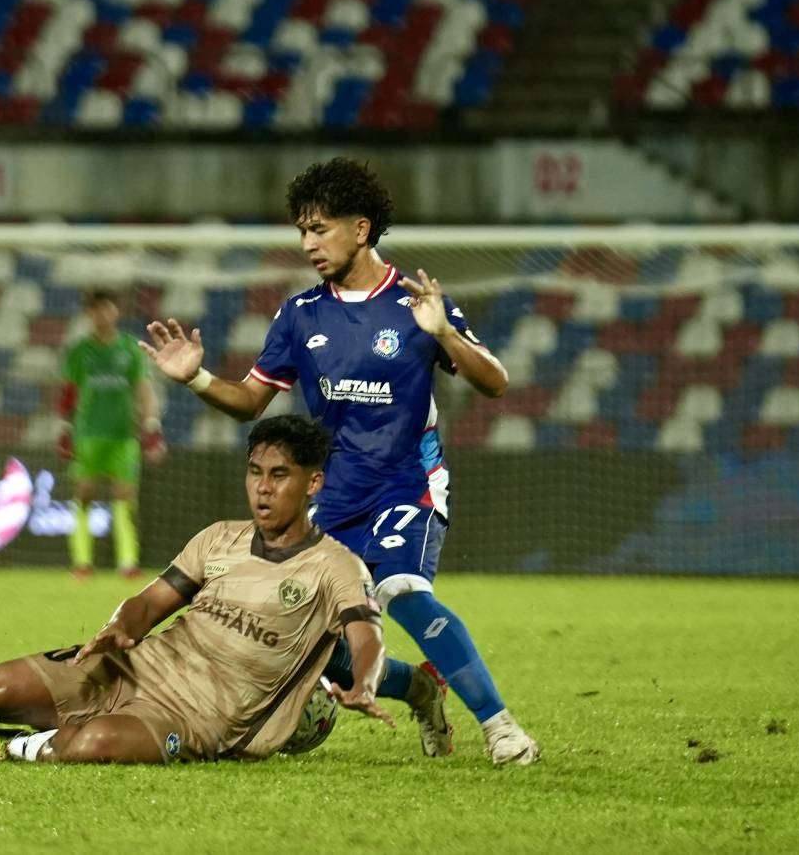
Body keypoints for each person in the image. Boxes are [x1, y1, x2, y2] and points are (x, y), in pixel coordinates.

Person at [139, 158, 540, 766]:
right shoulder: (301, 314)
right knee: (309, 642)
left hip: (407, 484)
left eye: (319, 229)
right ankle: (422, 689)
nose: (308, 243)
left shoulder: (415, 304)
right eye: (303, 231)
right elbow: (249, 401)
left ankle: (501, 727)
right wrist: (194, 377)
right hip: (334, 496)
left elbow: (497, 382)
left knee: (402, 589)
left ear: (360, 228)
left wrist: (445, 334)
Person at [0, 416, 427, 764]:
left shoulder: (336, 566)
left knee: (91, 746)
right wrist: (121, 626)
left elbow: (366, 637)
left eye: (279, 476)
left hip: (200, 720)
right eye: (255, 472)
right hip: (133, 668)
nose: (262, 488)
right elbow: (152, 601)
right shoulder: (219, 538)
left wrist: (365, 682)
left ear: (313, 483)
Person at [58, 289, 166, 579]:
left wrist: (151, 426)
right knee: (83, 494)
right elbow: (68, 394)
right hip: (88, 434)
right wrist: (65, 428)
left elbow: (145, 391)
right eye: (97, 310)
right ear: (89, 314)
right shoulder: (79, 351)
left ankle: (128, 563)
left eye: (108, 308)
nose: (103, 315)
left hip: (123, 436)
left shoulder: (130, 349)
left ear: (116, 311)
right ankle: (81, 562)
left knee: (125, 497)